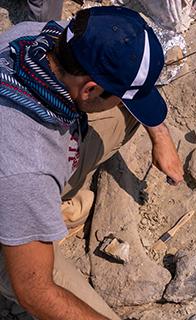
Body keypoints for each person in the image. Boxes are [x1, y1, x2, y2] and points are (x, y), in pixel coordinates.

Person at [0, 6, 184, 319]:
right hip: (12, 217)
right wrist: (31, 203)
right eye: (122, 94)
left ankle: (51, 207)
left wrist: (161, 136)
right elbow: (35, 292)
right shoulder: (26, 169)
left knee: (128, 116)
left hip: (25, 179)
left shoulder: (45, 38)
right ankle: (39, 220)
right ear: (90, 89)